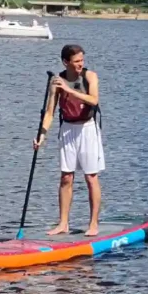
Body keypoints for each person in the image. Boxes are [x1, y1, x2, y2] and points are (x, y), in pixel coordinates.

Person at [33, 44, 104, 236]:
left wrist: (69, 90)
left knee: (91, 177)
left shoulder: (90, 76)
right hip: (67, 129)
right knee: (66, 177)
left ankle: (93, 224)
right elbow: (49, 113)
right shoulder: (57, 81)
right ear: (66, 62)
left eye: (82, 60)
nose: (81, 64)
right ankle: (63, 223)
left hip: (87, 129)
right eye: (76, 61)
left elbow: (94, 100)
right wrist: (41, 134)